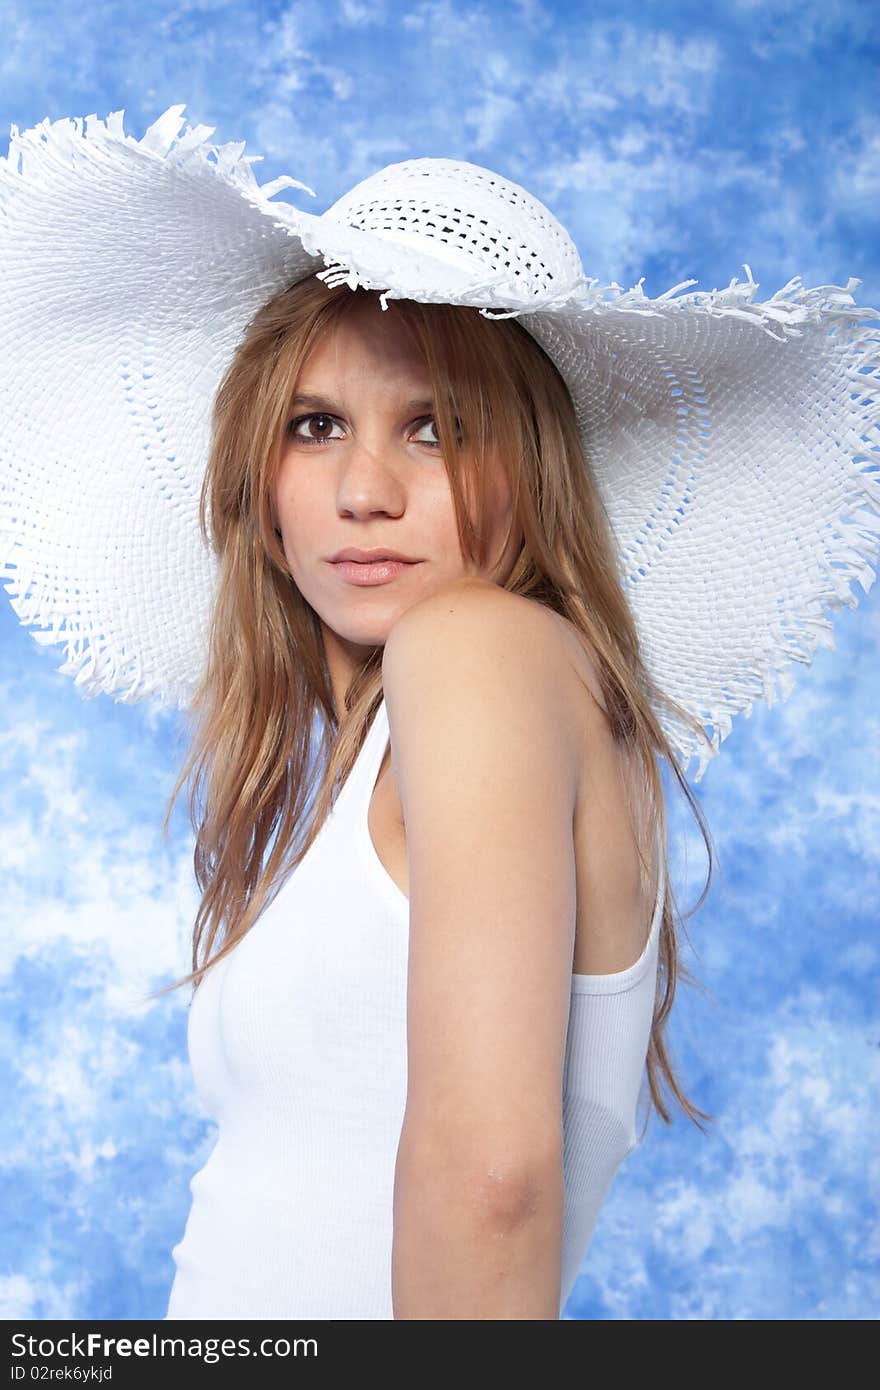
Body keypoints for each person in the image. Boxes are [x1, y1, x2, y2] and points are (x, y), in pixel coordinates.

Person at [1, 106, 877, 1321]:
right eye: (316, 427)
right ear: (257, 480)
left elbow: (494, 1183)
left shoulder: (475, 652)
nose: (364, 491)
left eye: (438, 427)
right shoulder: (408, 736)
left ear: (531, 466)